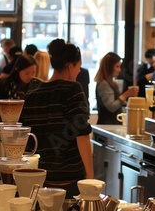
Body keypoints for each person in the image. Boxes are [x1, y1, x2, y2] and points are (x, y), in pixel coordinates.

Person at [20, 39, 93, 198]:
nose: (79, 72)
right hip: (69, 179)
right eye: (78, 67)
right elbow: (82, 134)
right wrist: (90, 177)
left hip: (38, 179)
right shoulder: (73, 90)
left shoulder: (32, 95)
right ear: (70, 66)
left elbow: (25, 139)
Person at [95, 52, 139, 124]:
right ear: (109, 67)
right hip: (107, 125)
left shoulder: (111, 83)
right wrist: (126, 94)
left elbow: (117, 104)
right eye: (117, 66)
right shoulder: (104, 84)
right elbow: (112, 107)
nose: (119, 70)